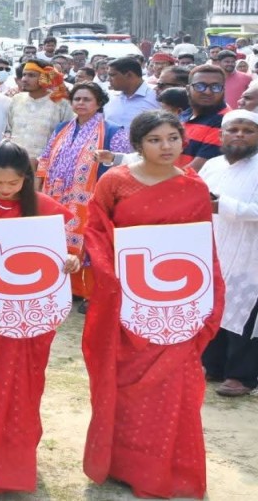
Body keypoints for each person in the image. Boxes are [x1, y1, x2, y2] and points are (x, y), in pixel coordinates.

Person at [82, 110, 223, 499]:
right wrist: (113, 278)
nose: (166, 146)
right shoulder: (115, 181)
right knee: (125, 385)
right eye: (155, 140)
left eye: (173, 138)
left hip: (177, 304)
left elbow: (202, 248)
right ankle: (122, 465)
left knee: (175, 387)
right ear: (138, 144)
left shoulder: (194, 187)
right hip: (127, 300)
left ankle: (165, 468)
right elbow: (97, 230)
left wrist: (202, 298)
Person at [0, 142, 81, 493]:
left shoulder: (44, 208)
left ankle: (14, 461)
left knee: (25, 382)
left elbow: (65, 250)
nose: (6, 189)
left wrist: (71, 260)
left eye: (14, 183)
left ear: (27, 178)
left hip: (31, 308)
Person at [38, 82, 131, 305]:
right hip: (56, 194)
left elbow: (124, 166)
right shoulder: (62, 128)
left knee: (90, 240)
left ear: (99, 103)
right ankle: (57, 283)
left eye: (87, 99)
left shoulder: (113, 131)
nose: (81, 103)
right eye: (77, 99)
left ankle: (85, 291)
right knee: (55, 237)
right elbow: (46, 157)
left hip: (92, 197)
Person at [200, 109, 258, 397]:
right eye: (233, 130)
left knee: (244, 313)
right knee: (215, 308)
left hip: (250, 255)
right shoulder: (212, 165)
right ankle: (213, 366)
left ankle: (241, 376)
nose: (239, 135)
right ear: (221, 135)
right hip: (215, 247)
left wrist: (222, 205)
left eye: (248, 131)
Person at [6, 59, 75, 161]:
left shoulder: (61, 103)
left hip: (46, 164)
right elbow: (8, 130)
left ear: (45, 78)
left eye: (31, 75)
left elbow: (67, 137)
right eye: (24, 75)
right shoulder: (16, 99)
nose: (24, 79)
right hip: (14, 162)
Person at [182, 64, 231, 171]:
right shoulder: (185, 114)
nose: (207, 92)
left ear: (223, 90)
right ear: (188, 89)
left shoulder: (226, 122)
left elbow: (196, 169)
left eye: (215, 87)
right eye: (200, 86)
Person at [103, 56, 159, 129]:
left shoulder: (156, 96)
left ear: (129, 75)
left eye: (112, 75)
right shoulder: (109, 97)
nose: (108, 79)